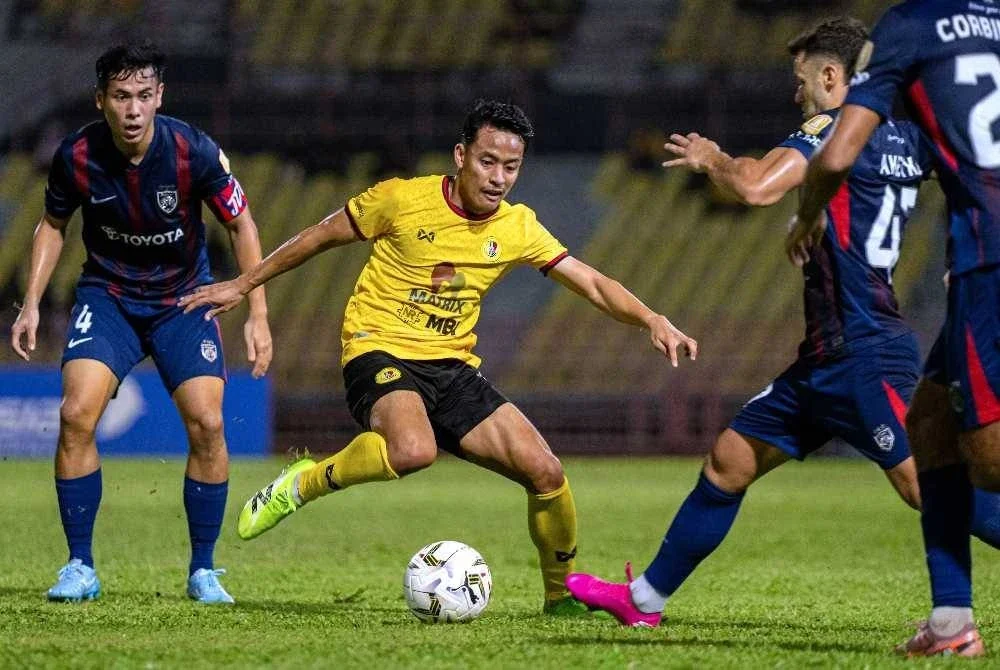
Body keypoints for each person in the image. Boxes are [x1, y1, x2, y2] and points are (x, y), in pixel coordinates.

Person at [178, 99, 698, 615]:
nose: (498, 177)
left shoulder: (517, 226)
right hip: (377, 347)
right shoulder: (402, 199)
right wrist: (245, 284)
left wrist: (651, 318)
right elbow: (317, 237)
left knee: (547, 473)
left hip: (451, 367)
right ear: (460, 155)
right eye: (487, 161)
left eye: (511, 167)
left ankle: (560, 597)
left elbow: (591, 282)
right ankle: (302, 483)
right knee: (412, 449)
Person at [563, 15, 997, 630]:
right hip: (827, 355)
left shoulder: (831, 128)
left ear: (829, 76)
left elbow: (759, 187)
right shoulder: (910, 135)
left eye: (801, 81)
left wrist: (713, 157)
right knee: (729, 461)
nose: (796, 95)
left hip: (862, 350)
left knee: (931, 485)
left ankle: (954, 625)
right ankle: (643, 604)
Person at [9, 42, 272, 605]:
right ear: (101, 99)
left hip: (184, 300)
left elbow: (242, 225)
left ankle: (204, 569)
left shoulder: (193, 151)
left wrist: (257, 311)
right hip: (108, 297)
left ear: (160, 97)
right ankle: (80, 565)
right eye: (122, 96)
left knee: (207, 423)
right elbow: (52, 226)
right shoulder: (76, 155)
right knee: (76, 414)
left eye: (144, 96)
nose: (133, 110)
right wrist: (31, 301)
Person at [788, 0, 1000, 658]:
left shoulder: (910, 26)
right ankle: (951, 622)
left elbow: (836, 153)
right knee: (930, 422)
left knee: (988, 458)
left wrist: (806, 217)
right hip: (976, 257)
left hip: (987, 253)